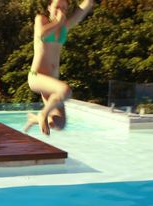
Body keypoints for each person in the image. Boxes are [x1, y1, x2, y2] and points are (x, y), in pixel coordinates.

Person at [25, 0, 94, 135]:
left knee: (59, 123)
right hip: (37, 77)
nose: (60, 10)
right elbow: (42, 35)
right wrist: (57, 21)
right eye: (57, 7)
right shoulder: (41, 20)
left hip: (52, 82)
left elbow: (81, 11)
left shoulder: (65, 26)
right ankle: (42, 114)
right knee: (66, 90)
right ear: (49, 7)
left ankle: (35, 119)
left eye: (64, 8)